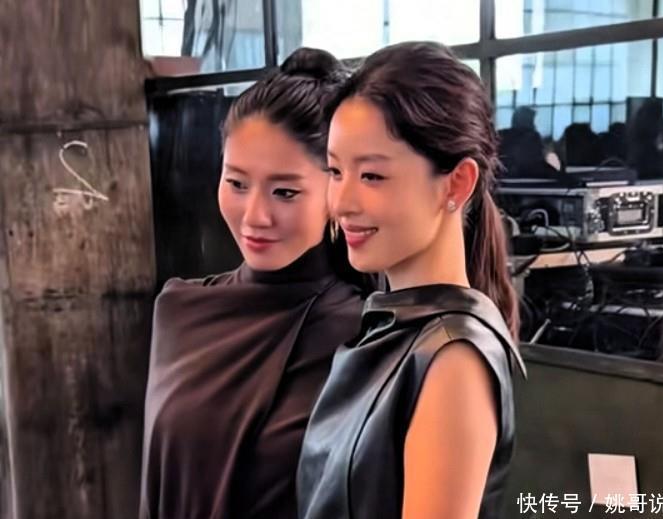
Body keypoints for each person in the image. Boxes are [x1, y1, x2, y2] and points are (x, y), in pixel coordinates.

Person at [297, 41, 526, 519]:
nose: (341, 202)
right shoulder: (394, 325)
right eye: (336, 171)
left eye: (372, 176)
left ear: (457, 183)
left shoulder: (454, 359)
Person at [139, 48, 370, 519]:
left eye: (285, 191)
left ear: (336, 191)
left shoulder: (365, 333)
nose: (254, 216)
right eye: (237, 183)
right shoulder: (180, 309)